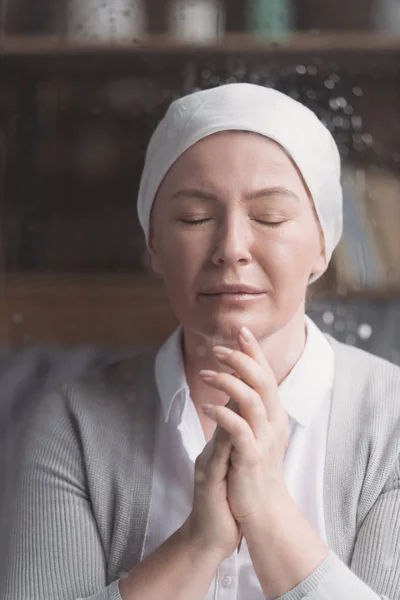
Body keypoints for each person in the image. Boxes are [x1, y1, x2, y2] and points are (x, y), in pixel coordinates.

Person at [1, 83, 399, 600]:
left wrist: (270, 511)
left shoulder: (392, 418)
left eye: (270, 217)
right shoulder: (73, 423)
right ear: (154, 245)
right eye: (195, 217)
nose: (232, 248)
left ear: (324, 243)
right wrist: (198, 542)